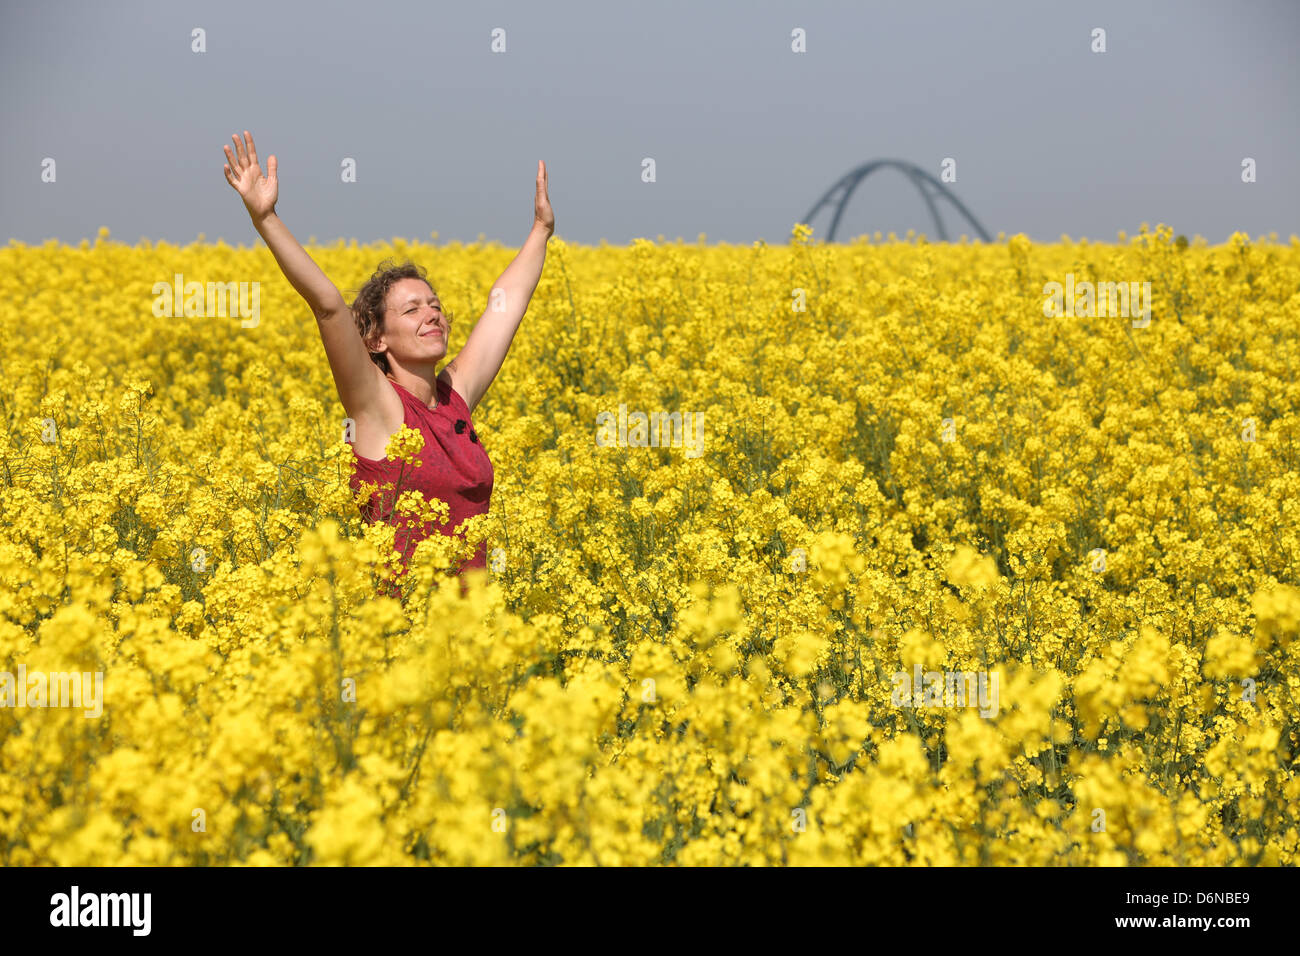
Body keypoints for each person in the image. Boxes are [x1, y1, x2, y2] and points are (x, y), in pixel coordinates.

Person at [222, 130, 553, 594]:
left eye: (434, 304)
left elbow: (506, 306)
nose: (431, 313)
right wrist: (266, 218)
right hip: (402, 638)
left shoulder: (454, 399)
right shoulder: (376, 407)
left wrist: (540, 231)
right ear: (375, 339)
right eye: (412, 309)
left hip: (475, 636)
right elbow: (329, 306)